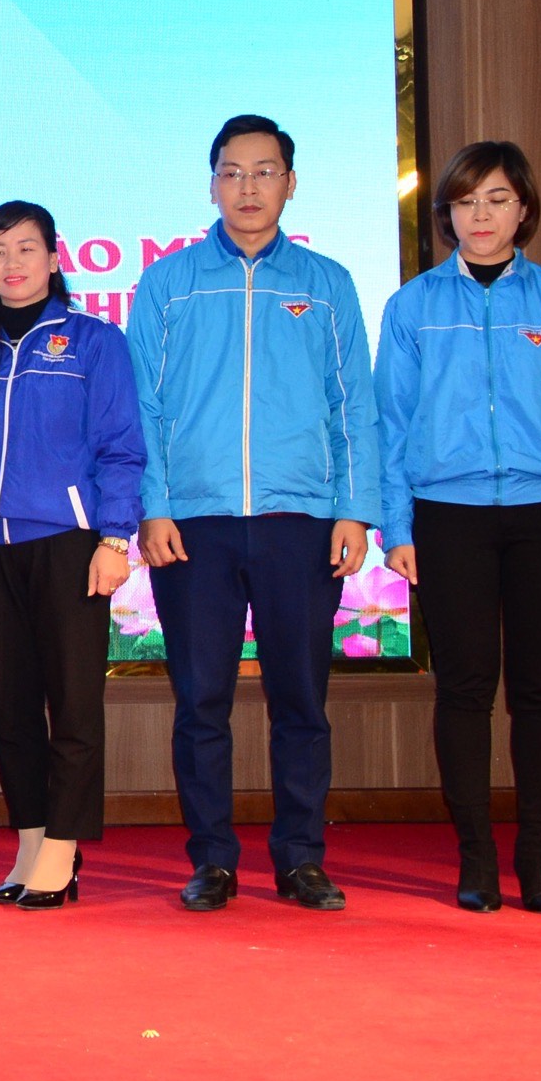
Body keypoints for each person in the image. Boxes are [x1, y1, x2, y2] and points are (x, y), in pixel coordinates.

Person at [128, 115, 380, 914]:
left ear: (290, 184)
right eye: (231, 173)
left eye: (264, 171)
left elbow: (353, 403)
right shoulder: (168, 282)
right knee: (200, 700)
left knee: (299, 700)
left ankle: (300, 858)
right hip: (193, 523)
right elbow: (144, 407)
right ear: (211, 185)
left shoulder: (326, 283)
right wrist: (153, 507)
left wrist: (353, 510)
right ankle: (211, 860)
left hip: (298, 520)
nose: (247, 187)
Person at [377, 142, 541, 915]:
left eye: (496, 199)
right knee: (464, 688)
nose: (479, 215)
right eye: (464, 201)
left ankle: (536, 858)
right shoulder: (412, 306)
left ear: (523, 209)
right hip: (447, 518)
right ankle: (476, 857)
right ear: (445, 213)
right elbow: (390, 427)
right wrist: (396, 527)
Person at [0, 201, 145, 909]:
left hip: (70, 543)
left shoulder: (93, 341)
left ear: (53, 257)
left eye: (27, 248)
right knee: (9, 710)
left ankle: (64, 847)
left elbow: (121, 446)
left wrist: (113, 538)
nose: (12, 263)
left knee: (71, 704)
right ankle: (31, 840)